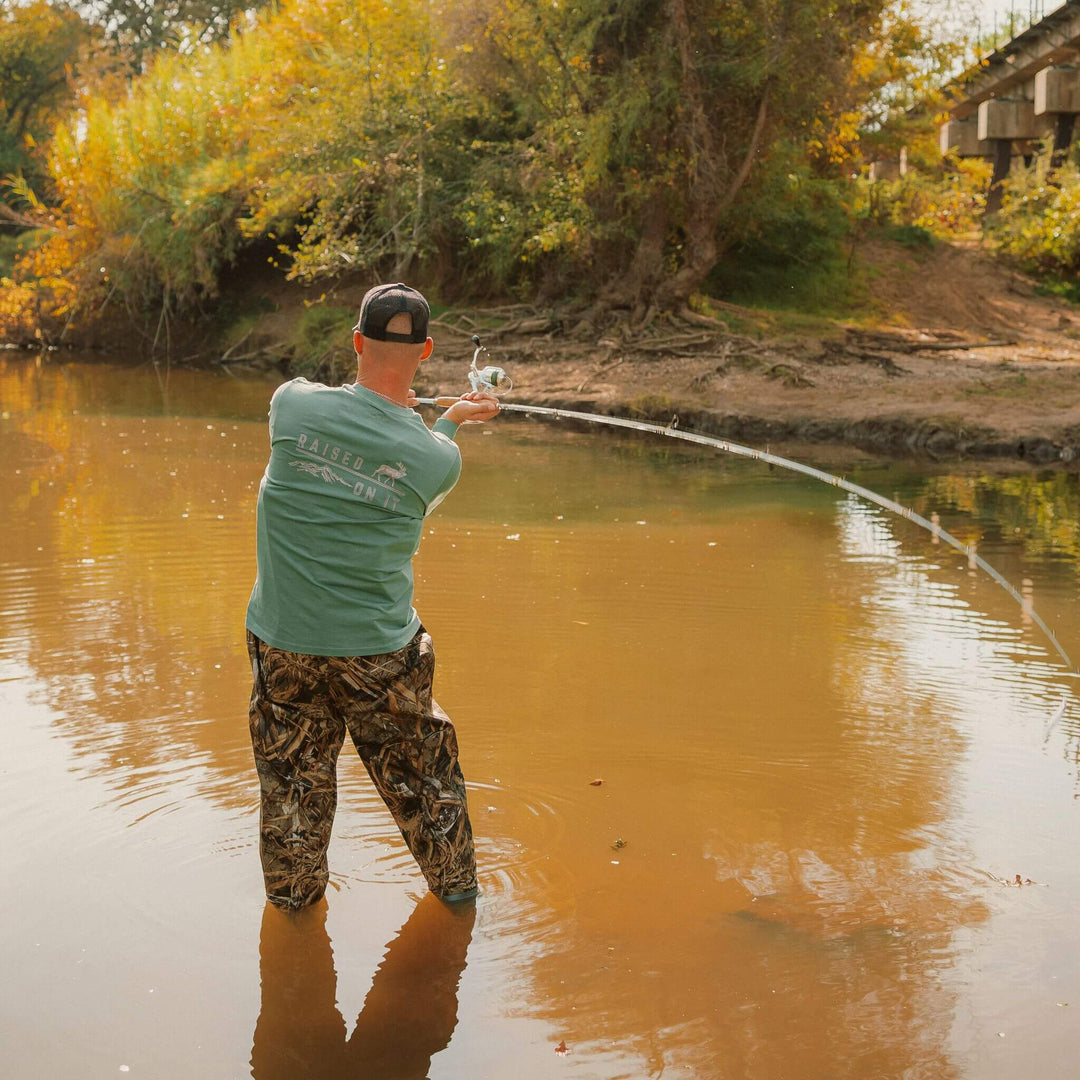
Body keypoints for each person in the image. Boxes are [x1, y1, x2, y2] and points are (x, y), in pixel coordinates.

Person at [245, 282, 498, 911]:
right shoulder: (438, 458)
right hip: (379, 655)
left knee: (291, 793)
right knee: (424, 782)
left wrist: (394, 410)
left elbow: (346, 417)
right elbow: (418, 471)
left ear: (356, 341)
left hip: (284, 644)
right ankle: (459, 899)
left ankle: (295, 913)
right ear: (427, 351)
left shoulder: (292, 405)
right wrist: (444, 422)